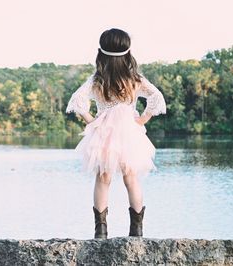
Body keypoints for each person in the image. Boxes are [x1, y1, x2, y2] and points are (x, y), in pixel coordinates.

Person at [65, 28, 167, 239]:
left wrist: (92, 121)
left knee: (103, 178)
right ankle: (136, 232)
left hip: (104, 134)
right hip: (130, 133)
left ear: (101, 52)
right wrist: (142, 119)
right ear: (128, 52)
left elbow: (77, 100)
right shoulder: (134, 78)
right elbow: (156, 97)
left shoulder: (98, 78)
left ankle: (101, 231)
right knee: (131, 177)